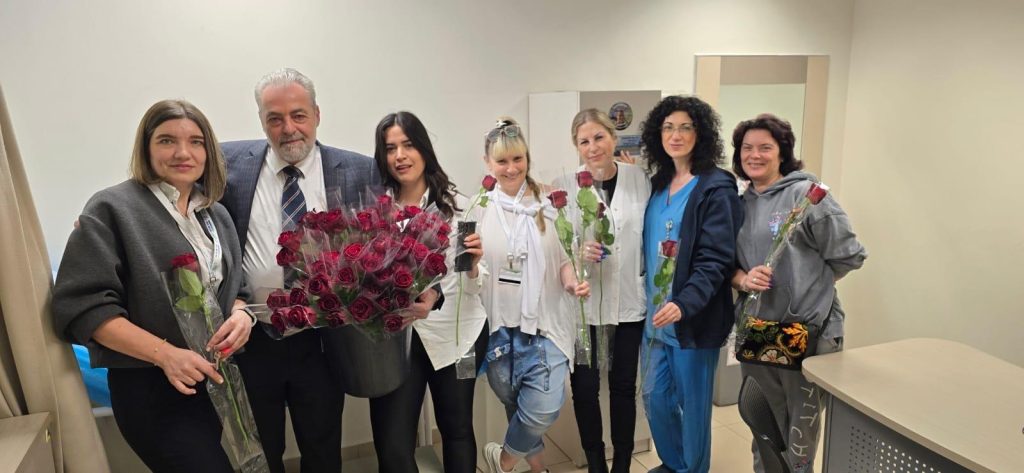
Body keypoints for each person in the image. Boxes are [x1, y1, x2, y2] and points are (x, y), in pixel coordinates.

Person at [220, 68, 429, 473]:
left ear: (317, 114)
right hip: (254, 338)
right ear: (261, 120)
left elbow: (390, 243)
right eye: (275, 118)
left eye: (298, 115)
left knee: (322, 450)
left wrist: (421, 291)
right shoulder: (229, 165)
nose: (288, 128)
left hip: (322, 342)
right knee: (261, 453)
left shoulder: (361, 170)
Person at [52, 99, 253, 472]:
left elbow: (236, 289)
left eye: (195, 142)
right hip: (151, 388)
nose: (182, 153)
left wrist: (242, 315)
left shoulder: (216, 214)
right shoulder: (112, 208)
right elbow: (85, 309)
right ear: (146, 148)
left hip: (211, 383)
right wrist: (166, 355)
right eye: (166, 140)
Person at [730, 114, 866, 473]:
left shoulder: (807, 196)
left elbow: (850, 256)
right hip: (760, 331)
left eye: (765, 147)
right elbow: (729, 264)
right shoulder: (739, 203)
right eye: (747, 148)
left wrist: (809, 286)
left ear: (782, 153)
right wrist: (744, 279)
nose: (754, 155)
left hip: (806, 332)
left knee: (799, 431)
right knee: (764, 423)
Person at [366, 111, 488, 473]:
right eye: (390, 148)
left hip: (459, 336)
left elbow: (471, 282)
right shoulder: (376, 211)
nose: (400, 156)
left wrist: (472, 266)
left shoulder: (461, 207)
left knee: (457, 429)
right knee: (392, 444)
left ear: (423, 149)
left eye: (408, 145)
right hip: (398, 339)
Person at [479, 117, 590, 473]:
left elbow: (564, 259)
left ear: (527, 157)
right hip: (500, 328)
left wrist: (572, 283)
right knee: (516, 405)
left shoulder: (550, 202)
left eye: (518, 158)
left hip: (545, 324)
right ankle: (539, 469)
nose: (511, 168)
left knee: (543, 407)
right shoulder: (479, 207)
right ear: (488, 163)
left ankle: (503, 461)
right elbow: (471, 266)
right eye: (502, 161)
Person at [639, 96, 743, 473]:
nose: (676, 135)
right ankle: (675, 464)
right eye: (668, 127)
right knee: (654, 396)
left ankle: (691, 469)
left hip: (691, 319)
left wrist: (684, 303)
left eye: (686, 127)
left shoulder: (716, 186)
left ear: (701, 134)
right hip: (655, 318)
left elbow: (717, 258)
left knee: (693, 407)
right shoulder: (658, 184)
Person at [553, 109, 649, 473]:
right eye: (584, 141)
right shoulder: (563, 185)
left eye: (599, 137)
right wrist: (577, 252)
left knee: (623, 386)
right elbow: (555, 247)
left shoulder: (640, 178)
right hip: (584, 304)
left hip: (629, 302)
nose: (593, 147)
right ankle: (595, 463)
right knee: (585, 387)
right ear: (575, 146)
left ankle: (622, 463)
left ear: (613, 137)